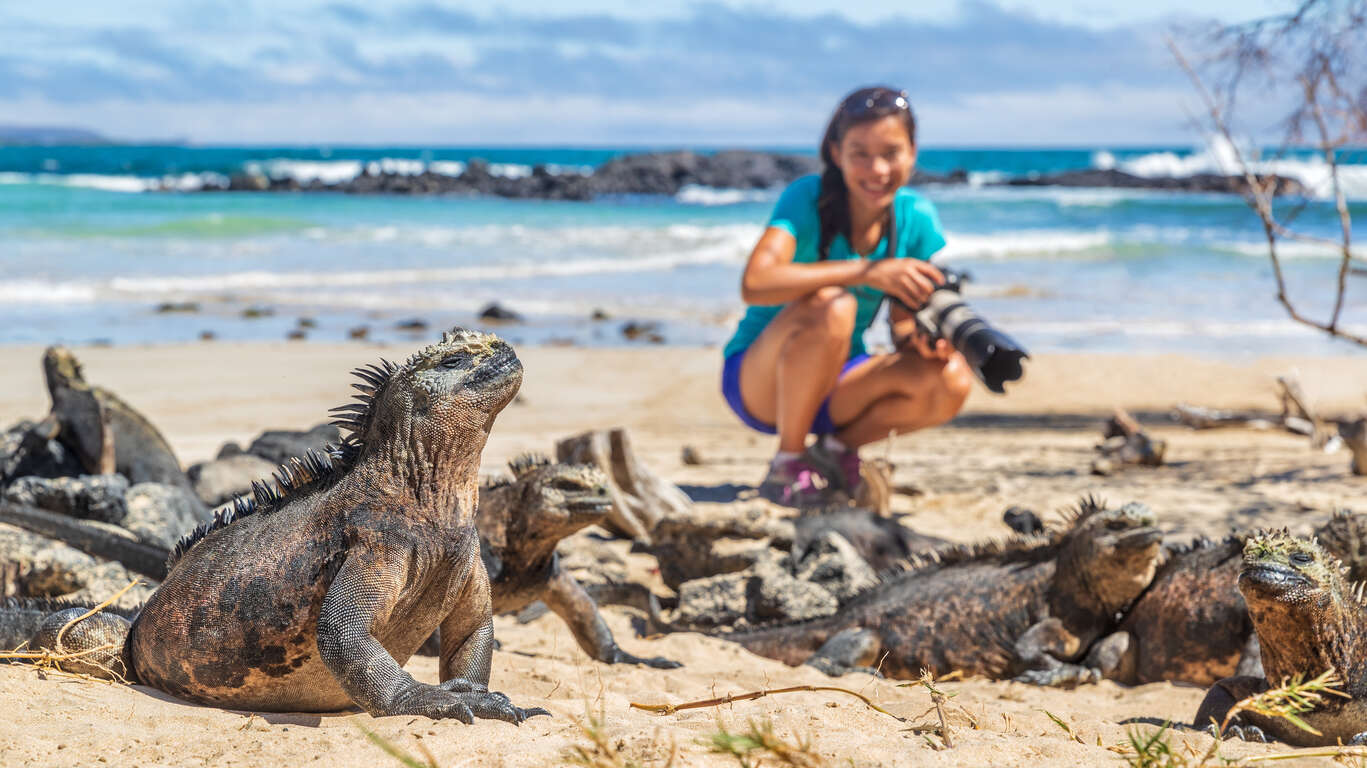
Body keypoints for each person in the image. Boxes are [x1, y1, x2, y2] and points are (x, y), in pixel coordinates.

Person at [720, 85, 974, 507]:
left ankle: (834, 452)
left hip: (840, 383)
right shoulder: (807, 198)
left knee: (951, 379)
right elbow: (756, 282)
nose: (876, 169)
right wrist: (869, 272)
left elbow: (901, 326)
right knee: (836, 305)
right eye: (860, 153)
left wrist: (923, 343)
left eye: (890, 153)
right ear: (836, 154)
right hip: (761, 380)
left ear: (912, 153)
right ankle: (787, 461)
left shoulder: (916, 219)